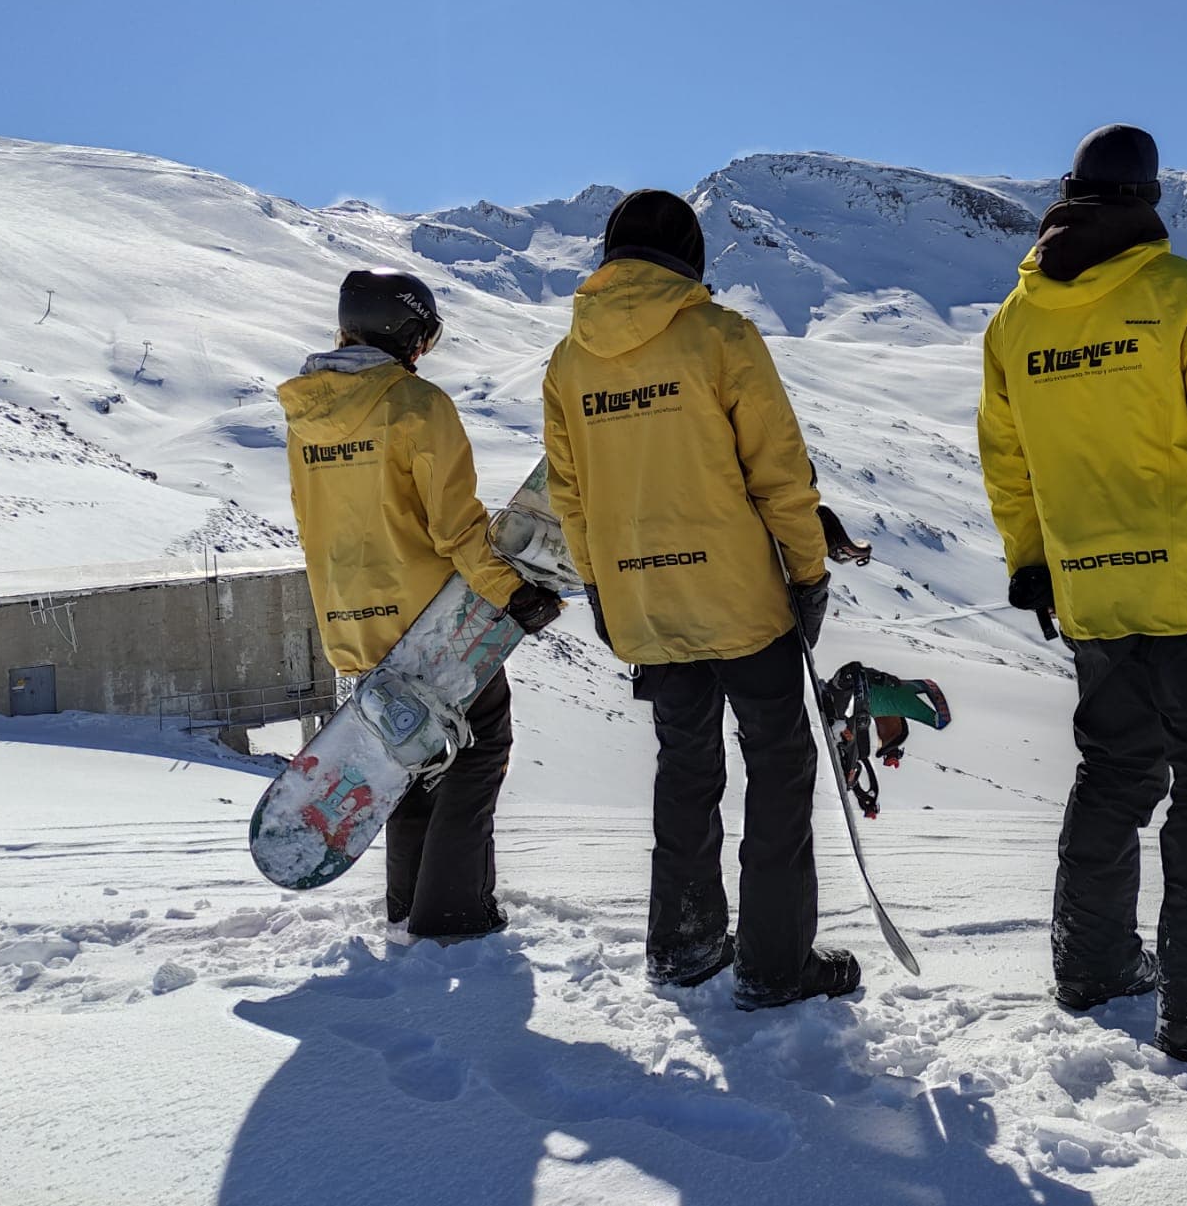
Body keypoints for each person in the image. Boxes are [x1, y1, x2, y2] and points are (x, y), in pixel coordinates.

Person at [976, 124, 1187, 1062]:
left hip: (1093, 598)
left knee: (1114, 773)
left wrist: (1031, 562)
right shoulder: (1186, 298)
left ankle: (1091, 964)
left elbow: (1007, 463)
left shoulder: (1016, 322)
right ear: (1150, 198)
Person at [540, 189, 860, 1010]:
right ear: (691, 259)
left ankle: (684, 941)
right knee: (779, 766)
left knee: (685, 766)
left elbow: (568, 499)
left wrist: (601, 589)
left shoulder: (569, 362)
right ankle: (775, 962)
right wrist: (810, 572)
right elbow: (781, 475)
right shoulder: (721, 338)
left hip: (647, 605)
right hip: (742, 601)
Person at [279, 267, 562, 943]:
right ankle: (454, 913)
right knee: (481, 744)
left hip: (353, 625)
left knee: (400, 759)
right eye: (422, 338)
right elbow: (457, 529)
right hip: (431, 623)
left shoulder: (307, 416)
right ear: (405, 332)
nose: (423, 352)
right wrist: (515, 594)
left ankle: (408, 909)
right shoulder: (415, 405)